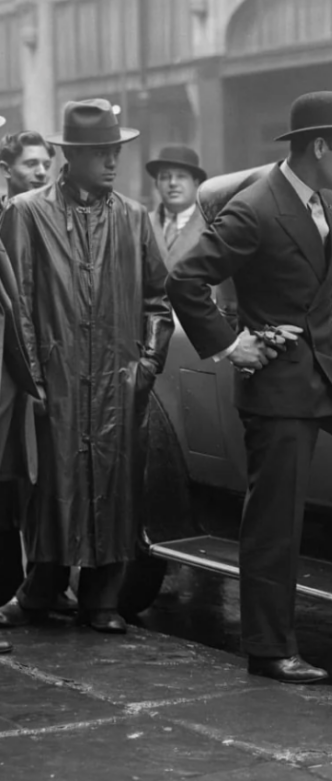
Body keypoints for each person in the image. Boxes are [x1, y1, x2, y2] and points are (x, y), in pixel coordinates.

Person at [166, 91, 332, 685]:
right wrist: (229, 344)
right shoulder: (256, 208)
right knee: (274, 523)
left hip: (331, 374)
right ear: (319, 147)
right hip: (278, 387)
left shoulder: (325, 197)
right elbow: (185, 277)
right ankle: (269, 651)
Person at [0, 99, 173, 636]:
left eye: (115, 151)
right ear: (67, 156)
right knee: (54, 487)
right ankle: (41, 588)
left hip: (117, 378)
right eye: (100, 152)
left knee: (116, 489)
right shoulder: (27, 212)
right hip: (55, 375)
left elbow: (159, 299)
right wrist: (33, 378)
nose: (112, 161)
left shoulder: (133, 216)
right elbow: (17, 301)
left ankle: (103, 600)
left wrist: (146, 363)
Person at [0, 129, 70, 613]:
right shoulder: (15, 218)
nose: (40, 172)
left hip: (29, 372)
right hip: (17, 371)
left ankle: (37, 584)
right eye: (30, 164)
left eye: (46, 163)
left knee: (27, 482)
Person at [147, 145, 207, 267]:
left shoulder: (213, 227)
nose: (173, 183)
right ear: (156, 184)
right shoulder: (141, 224)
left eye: (181, 176)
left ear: (196, 182)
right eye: (165, 177)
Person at [0, 131, 55, 205]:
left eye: (46, 166)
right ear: (6, 170)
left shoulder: (57, 214)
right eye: (31, 164)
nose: (42, 172)